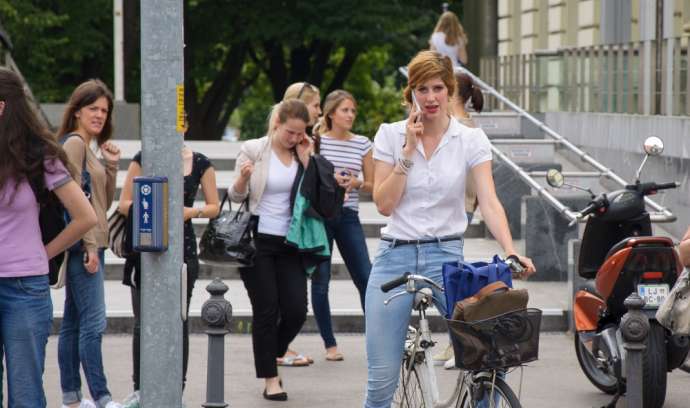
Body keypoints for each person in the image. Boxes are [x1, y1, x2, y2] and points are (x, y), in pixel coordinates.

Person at [363, 51, 536, 408]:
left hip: (445, 256)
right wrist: (408, 152)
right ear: (410, 92)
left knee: (490, 355)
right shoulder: (390, 135)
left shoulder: (469, 139)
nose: (430, 97)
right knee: (381, 382)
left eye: (438, 88)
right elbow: (384, 204)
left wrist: (510, 248)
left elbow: (488, 200)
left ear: (450, 89)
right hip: (394, 257)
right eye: (421, 88)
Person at [0, 67, 97, 407]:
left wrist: (45, 252)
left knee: (26, 395)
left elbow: (86, 216)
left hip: (25, 288)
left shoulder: (37, 155)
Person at [117, 141, 220, 407]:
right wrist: (152, 206)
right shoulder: (144, 157)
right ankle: (140, 391)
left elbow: (214, 207)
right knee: (143, 321)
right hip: (146, 247)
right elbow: (123, 204)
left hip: (183, 250)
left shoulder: (200, 162)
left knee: (179, 321)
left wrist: (191, 211)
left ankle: (177, 391)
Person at [229, 99, 314, 400]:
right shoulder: (255, 149)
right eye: (289, 132)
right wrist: (243, 177)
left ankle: (273, 351)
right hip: (258, 241)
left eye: (299, 133)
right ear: (277, 122)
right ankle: (270, 379)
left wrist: (308, 160)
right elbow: (236, 195)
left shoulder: (303, 152)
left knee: (296, 311)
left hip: (291, 242)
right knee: (266, 311)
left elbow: (317, 193)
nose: (293, 138)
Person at [56, 80, 123, 408]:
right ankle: (101, 397)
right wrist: (89, 246)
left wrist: (110, 165)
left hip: (92, 242)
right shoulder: (74, 145)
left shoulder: (89, 147)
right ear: (77, 110)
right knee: (94, 324)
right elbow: (72, 203)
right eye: (93, 108)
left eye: (104, 110)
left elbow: (102, 201)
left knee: (73, 322)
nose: (99, 115)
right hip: (85, 246)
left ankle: (71, 396)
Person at [311, 90, 373, 361]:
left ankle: (376, 339)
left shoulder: (362, 144)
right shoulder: (317, 143)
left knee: (366, 278)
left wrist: (356, 182)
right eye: (345, 110)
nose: (350, 115)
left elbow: (373, 186)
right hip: (321, 217)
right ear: (331, 113)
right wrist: (329, 180)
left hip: (348, 215)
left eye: (353, 111)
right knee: (321, 281)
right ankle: (330, 345)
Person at [432, 71, 486, 369]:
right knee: (450, 273)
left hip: (456, 206)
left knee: (451, 277)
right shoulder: (468, 126)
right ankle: (455, 341)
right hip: (461, 204)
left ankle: (463, 342)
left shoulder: (462, 129)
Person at [275, 81, 322, 367]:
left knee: (295, 305)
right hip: (275, 234)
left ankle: (278, 348)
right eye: (315, 105)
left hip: (301, 234)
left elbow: (316, 190)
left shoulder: (309, 144)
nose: (319, 110)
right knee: (277, 304)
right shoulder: (274, 146)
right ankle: (275, 355)